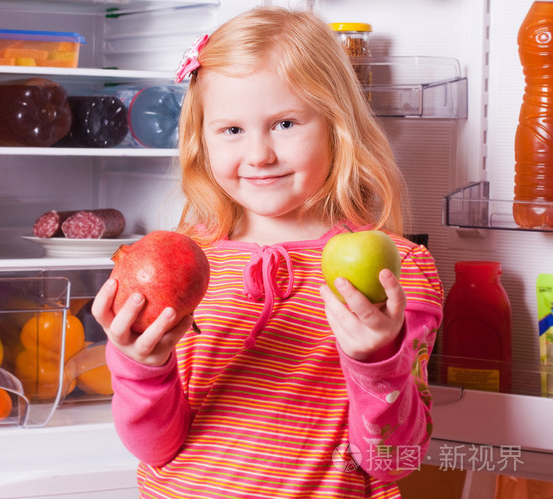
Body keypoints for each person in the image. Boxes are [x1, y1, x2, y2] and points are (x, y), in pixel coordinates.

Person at [92, 6, 443, 498]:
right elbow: (155, 448)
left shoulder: (398, 270)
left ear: (336, 125)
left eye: (284, 124)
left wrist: (377, 357)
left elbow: (391, 459)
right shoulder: (188, 260)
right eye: (232, 130)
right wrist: (140, 366)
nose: (259, 155)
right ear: (201, 140)